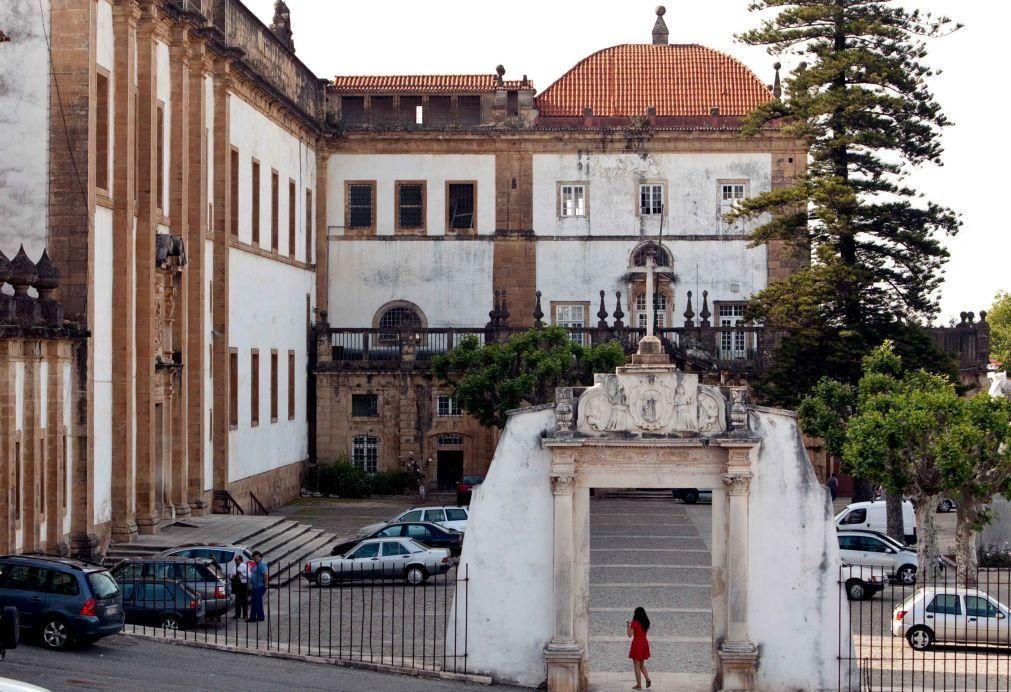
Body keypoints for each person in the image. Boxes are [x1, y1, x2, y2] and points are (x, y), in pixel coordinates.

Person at [626, 606, 651, 689]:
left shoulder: (634, 623)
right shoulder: (646, 622)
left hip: (637, 644)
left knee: (636, 665)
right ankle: (647, 679)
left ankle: (639, 684)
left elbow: (630, 635)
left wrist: (628, 626)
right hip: (644, 643)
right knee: (642, 664)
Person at [225, 553, 249, 619]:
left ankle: (245, 614)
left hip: (243, 584)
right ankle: (237, 614)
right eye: (235, 560)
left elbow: (249, 575)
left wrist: (242, 573)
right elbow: (232, 575)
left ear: (240, 560)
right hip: (236, 584)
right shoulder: (234, 567)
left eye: (237, 560)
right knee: (237, 600)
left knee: (244, 600)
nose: (236, 561)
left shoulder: (244, 566)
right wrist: (230, 575)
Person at [248, 551, 268, 623]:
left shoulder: (262, 564)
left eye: (257, 556)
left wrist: (266, 584)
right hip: (255, 586)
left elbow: (265, 574)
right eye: (254, 557)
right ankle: (260, 616)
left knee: (255, 602)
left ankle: (252, 617)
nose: (255, 558)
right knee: (258, 602)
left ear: (260, 557)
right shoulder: (257, 564)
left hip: (259, 586)